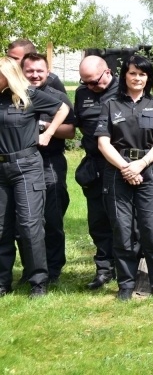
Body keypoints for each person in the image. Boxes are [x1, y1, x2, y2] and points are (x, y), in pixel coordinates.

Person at [95, 55, 153, 301]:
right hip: (118, 172)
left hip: (148, 170)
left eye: (142, 74)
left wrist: (140, 164)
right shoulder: (110, 104)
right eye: (133, 73)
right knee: (123, 229)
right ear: (124, 76)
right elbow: (102, 142)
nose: (137, 78)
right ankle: (126, 286)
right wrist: (125, 167)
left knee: (152, 230)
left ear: (148, 78)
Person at [0, 57, 69, 297]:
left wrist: (48, 132)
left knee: (30, 226)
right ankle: (2, 282)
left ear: (8, 76)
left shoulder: (28, 95)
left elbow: (62, 109)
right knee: (2, 228)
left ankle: (38, 281)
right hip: (1, 170)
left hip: (26, 167)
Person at [20, 53, 76, 284]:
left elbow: (71, 131)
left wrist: (44, 126)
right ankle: (30, 269)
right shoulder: (14, 96)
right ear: (22, 71)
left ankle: (53, 269)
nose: (34, 75)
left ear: (47, 71)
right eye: (30, 71)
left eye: (39, 71)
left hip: (49, 161)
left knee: (51, 217)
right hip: (21, 164)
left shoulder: (57, 97)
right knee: (24, 221)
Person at [74, 55, 120, 289]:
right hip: (94, 163)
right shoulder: (82, 94)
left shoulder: (125, 89)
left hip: (120, 163)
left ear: (108, 72)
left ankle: (127, 267)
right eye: (86, 83)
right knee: (98, 220)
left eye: (94, 81)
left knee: (123, 219)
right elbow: (79, 123)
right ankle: (103, 268)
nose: (91, 87)